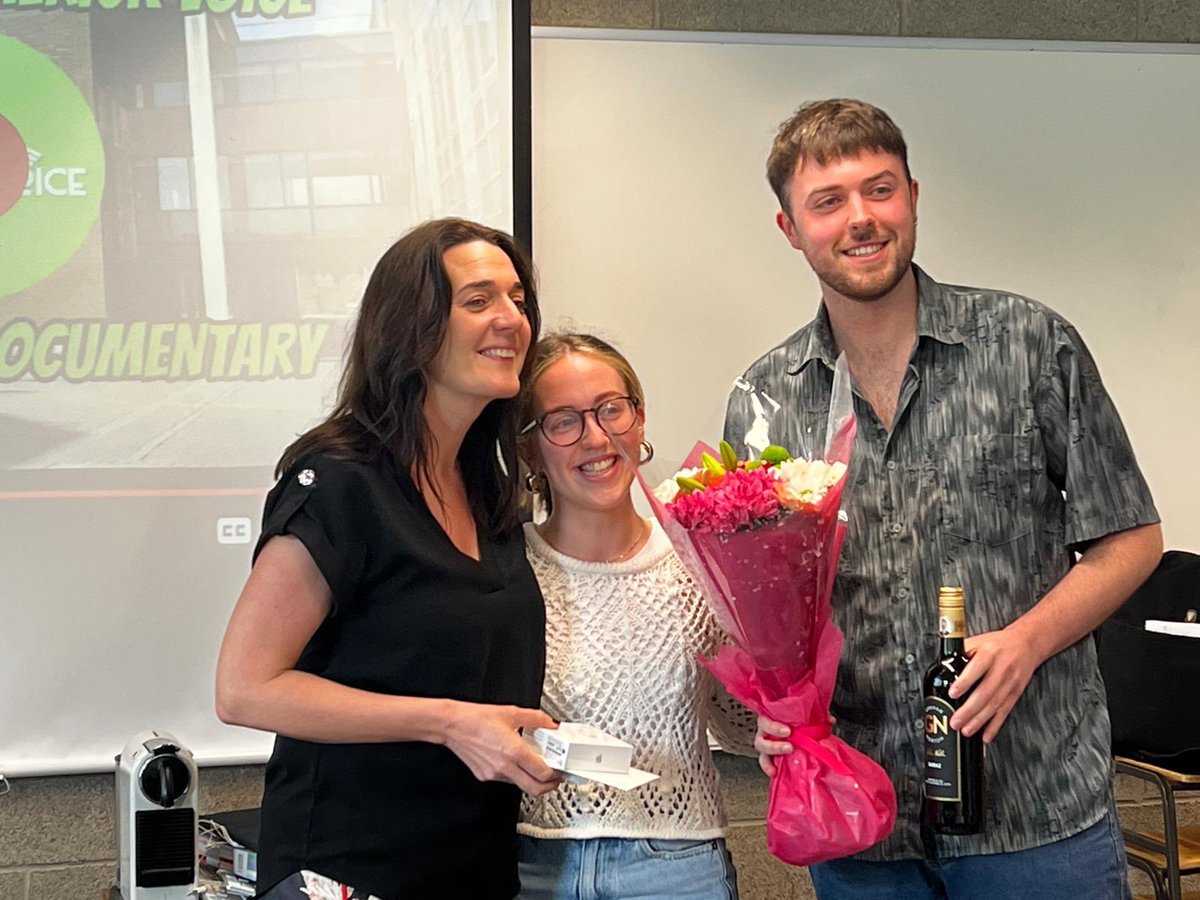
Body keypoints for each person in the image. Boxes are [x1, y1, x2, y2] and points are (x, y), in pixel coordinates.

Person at [723, 99, 1163, 899]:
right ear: (790, 229)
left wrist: (1026, 641)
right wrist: (772, 710)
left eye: (879, 190)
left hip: (1035, 812)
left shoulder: (1030, 345)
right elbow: (765, 609)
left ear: (914, 197)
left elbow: (1131, 539)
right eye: (828, 202)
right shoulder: (765, 400)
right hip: (861, 825)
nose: (860, 219)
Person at [215, 218, 561, 900]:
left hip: (470, 866)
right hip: (348, 870)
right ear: (413, 327)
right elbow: (244, 688)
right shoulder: (342, 478)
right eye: (478, 300)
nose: (510, 319)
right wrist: (450, 722)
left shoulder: (487, 484)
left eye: (518, 299)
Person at [515, 333, 756, 900]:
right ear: (530, 450)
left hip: (677, 867)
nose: (596, 437)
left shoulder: (703, 564)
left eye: (610, 410)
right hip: (528, 865)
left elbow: (741, 729)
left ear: (639, 420)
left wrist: (777, 684)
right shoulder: (502, 572)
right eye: (564, 420)